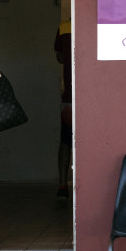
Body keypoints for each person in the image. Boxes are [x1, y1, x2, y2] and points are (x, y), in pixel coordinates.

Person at [54, 20, 72, 201]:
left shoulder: (64, 27)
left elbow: (59, 56)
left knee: (66, 141)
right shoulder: (99, 22)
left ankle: (62, 187)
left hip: (70, 96)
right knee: (68, 141)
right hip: (79, 97)